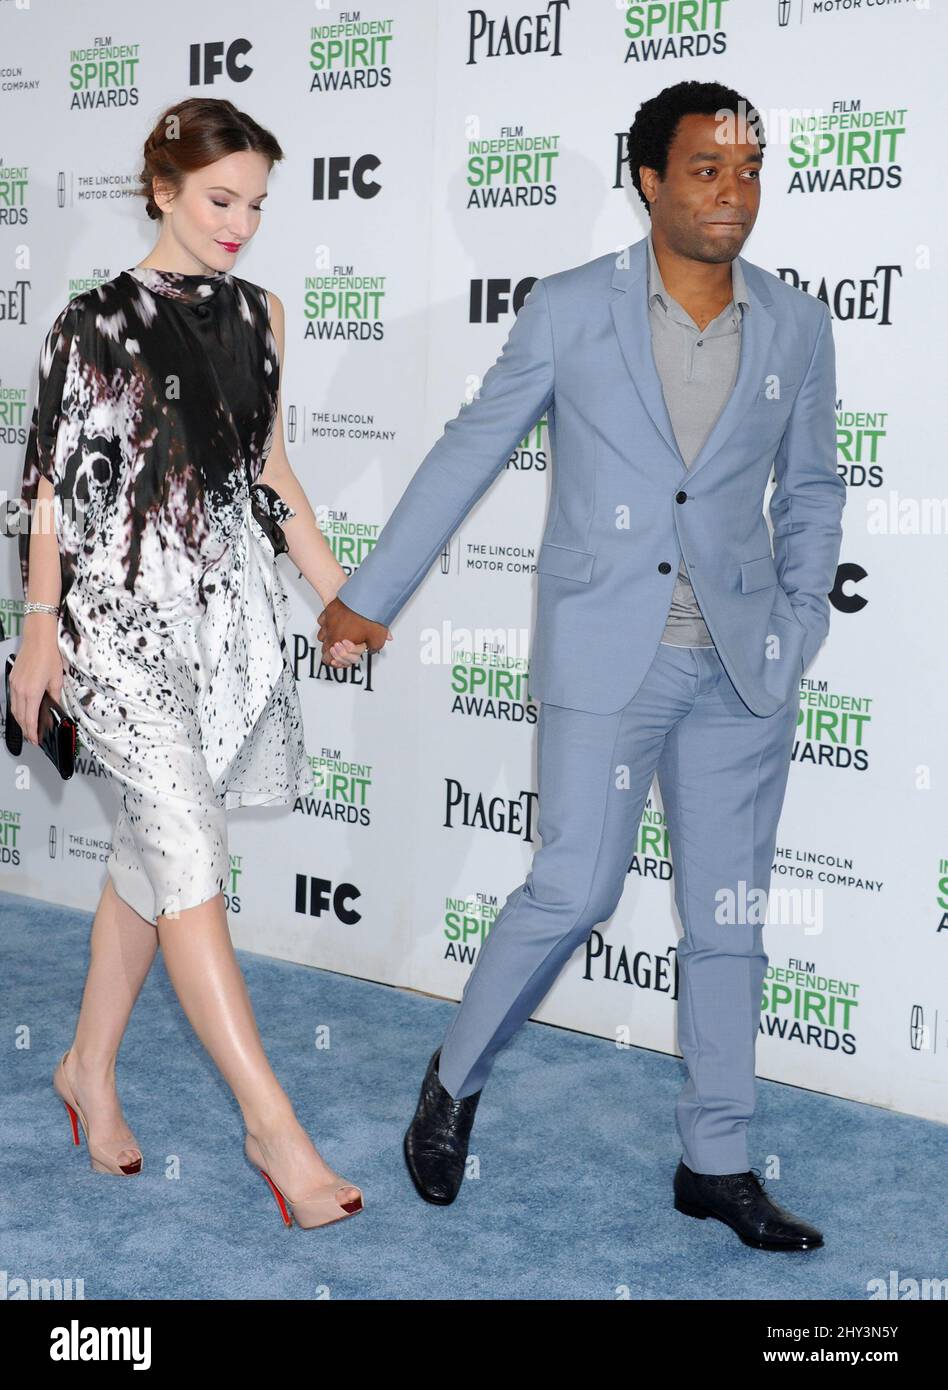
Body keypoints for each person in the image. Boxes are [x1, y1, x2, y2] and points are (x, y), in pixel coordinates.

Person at [319, 80, 847, 1251]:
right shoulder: (568, 310)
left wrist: (799, 620)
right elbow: (473, 449)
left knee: (728, 917)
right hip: (610, 654)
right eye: (706, 167)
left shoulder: (799, 324)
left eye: (749, 167)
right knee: (574, 885)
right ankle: (453, 1079)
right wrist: (368, 592)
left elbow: (812, 487)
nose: (733, 190)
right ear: (649, 180)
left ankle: (716, 1158)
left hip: (743, 668)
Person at [12, 96, 374, 1230]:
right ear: (162, 187)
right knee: (188, 859)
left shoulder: (264, 312)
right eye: (222, 199)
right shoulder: (90, 324)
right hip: (115, 631)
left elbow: (268, 469)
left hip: (223, 632)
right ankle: (274, 1126)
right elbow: (49, 493)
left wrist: (339, 589)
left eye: (258, 204)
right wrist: (36, 628)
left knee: (149, 853)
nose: (241, 223)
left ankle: (86, 1068)